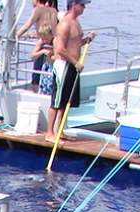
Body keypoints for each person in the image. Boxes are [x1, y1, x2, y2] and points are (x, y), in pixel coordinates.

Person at [46, 0, 95, 142]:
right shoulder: (65, 24)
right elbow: (60, 48)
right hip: (64, 65)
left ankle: (60, 131)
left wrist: (87, 39)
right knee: (57, 101)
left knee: (66, 102)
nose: (84, 7)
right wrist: (75, 62)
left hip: (73, 67)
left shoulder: (76, 22)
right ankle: (50, 133)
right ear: (74, 5)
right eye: (82, 5)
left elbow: (75, 43)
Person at [18, 0, 59, 92]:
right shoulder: (53, 11)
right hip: (52, 42)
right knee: (50, 74)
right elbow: (54, 29)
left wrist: (16, 35)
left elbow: (26, 26)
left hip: (43, 43)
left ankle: (38, 92)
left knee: (36, 78)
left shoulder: (37, 10)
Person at [31, 23, 56, 95]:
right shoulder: (41, 41)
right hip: (46, 66)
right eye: (43, 38)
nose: (44, 41)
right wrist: (42, 51)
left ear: (51, 34)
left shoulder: (55, 41)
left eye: (46, 38)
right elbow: (32, 56)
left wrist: (51, 57)